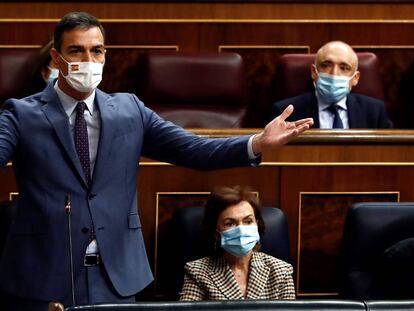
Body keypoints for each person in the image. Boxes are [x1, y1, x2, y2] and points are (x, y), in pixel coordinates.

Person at [0, 12, 312, 310]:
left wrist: (256, 142)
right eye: (76, 51)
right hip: (42, 274)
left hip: (115, 276)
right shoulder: (21, 113)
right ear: (57, 58)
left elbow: (193, 150)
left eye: (96, 51)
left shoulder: (129, 110)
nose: (88, 61)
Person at [180, 186, 295, 300]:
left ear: (257, 224)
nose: (241, 229)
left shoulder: (281, 271)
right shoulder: (197, 272)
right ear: (216, 233)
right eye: (230, 223)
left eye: (248, 221)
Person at [272, 41, 393, 129]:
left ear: (355, 78)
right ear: (314, 72)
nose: (334, 74)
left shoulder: (375, 111)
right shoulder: (285, 112)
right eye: (326, 65)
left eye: (344, 68)